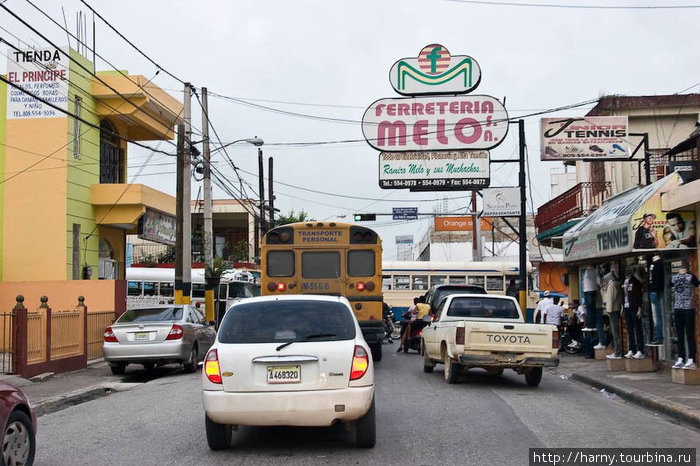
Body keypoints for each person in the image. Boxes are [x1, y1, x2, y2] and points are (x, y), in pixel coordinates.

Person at [671, 263, 699, 370]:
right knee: (680, 334)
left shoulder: (691, 277)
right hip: (678, 308)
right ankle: (681, 357)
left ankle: (691, 358)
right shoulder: (674, 278)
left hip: (688, 308)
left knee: (689, 333)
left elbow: (696, 284)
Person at [622, 267, 644, 359]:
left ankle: (640, 350)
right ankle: (632, 349)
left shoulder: (635, 282)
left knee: (637, 328)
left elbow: (638, 295)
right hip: (627, 306)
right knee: (630, 329)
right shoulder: (625, 282)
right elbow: (623, 294)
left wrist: (639, 307)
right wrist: (622, 306)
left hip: (634, 307)